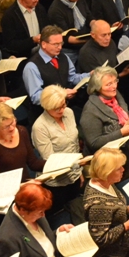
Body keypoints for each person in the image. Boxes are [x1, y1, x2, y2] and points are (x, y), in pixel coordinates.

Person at [32, 85, 83, 216]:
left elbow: (74, 145)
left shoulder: (69, 113)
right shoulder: (40, 127)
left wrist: (79, 172)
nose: (62, 110)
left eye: (63, 105)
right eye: (56, 108)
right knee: (61, 219)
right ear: (46, 106)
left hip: (75, 175)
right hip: (56, 183)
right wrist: (75, 166)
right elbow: (50, 160)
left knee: (77, 214)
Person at [21, 25, 89, 109]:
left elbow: (72, 78)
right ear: (44, 44)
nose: (60, 47)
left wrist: (90, 75)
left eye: (61, 43)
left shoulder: (63, 57)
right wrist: (61, 94)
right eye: (56, 44)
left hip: (65, 107)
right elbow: (36, 97)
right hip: (45, 113)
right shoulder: (32, 67)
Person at [79, 66, 129, 153]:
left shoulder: (114, 95)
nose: (114, 86)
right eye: (109, 84)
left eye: (115, 81)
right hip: (105, 158)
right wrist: (121, 133)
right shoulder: (90, 111)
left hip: (123, 150)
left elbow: (122, 112)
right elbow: (94, 143)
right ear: (97, 87)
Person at [0, 102, 46, 179]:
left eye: (13, 122)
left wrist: (55, 164)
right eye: (6, 127)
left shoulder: (21, 131)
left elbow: (33, 163)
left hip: (26, 183)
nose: (12, 128)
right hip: (8, 188)